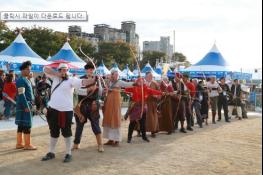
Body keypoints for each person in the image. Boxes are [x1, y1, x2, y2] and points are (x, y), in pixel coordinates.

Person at [41, 63, 96, 163]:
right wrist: (56, 74)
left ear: (68, 70)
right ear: (58, 70)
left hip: (66, 110)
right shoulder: (55, 77)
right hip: (53, 109)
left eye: (65, 69)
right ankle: (51, 152)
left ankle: (68, 153)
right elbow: (45, 68)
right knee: (53, 131)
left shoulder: (71, 79)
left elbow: (83, 82)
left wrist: (93, 80)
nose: (63, 71)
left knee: (67, 132)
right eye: (61, 69)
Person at [72, 62, 104, 152]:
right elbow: (77, 91)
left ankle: (100, 145)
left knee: (96, 126)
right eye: (89, 69)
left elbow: (100, 93)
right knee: (79, 126)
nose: (90, 70)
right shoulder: (80, 79)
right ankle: (76, 144)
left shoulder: (97, 79)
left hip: (93, 106)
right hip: (82, 105)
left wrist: (97, 100)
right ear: (86, 70)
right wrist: (88, 90)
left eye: (92, 69)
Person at [125, 77, 163, 143]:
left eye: (142, 81)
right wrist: (128, 92)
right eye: (140, 81)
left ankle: (144, 137)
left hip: (143, 108)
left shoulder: (146, 89)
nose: (141, 82)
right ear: (137, 82)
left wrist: (161, 93)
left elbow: (153, 91)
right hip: (135, 107)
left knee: (143, 124)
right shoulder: (134, 88)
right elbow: (126, 90)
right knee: (132, 123)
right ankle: (129, 138)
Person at [102, 70, 133, 147]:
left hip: (115, 103)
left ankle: (117, 140)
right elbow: (103, 81)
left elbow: (127, 84)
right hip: (109, 102)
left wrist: (137, 83)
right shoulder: (108, 82)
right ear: (112, 75)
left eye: (117, 75)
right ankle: (110, 139)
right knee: (109, 119)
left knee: (115, 119)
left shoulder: (119, 82)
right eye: (115, 75)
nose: (117, 76)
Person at [15, 61, 37, 150]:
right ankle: (27, 145)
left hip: (24, 104)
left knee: (21, 124)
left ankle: (19, 143)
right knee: (27, 124)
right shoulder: (21, 80)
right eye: (28, 69)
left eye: (29, 69)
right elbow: (21, 94)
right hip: (25, 105)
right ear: (23, 70)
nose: (29, 71)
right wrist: (26, 106)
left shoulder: (25, 79)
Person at [145, 71, 160, 137]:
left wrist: (156, 96)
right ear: (146, 76)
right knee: (142, 117)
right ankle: (140, 131)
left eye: (151, 76)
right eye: (149, 76)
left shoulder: (155, 84)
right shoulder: (143, 83)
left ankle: (153, 131)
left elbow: (159, 93)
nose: (150, 77)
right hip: (144, 103)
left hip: (152, 103)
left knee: (152, 118)